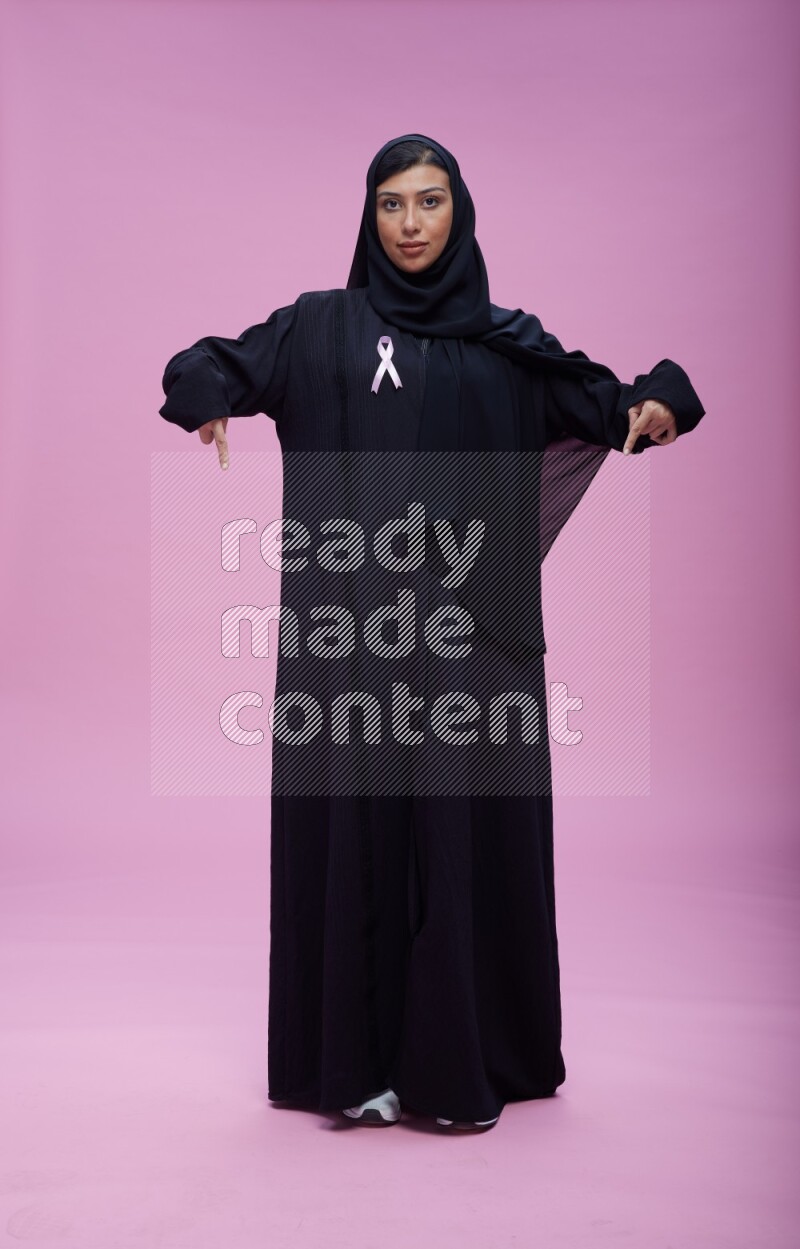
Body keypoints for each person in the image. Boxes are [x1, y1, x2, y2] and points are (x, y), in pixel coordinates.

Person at [158, 133, 705, 1132]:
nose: (410, 224)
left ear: (458, 214)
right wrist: (203, 400)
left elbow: (612, 399)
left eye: (429, 203)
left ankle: (457, 1070)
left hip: (466, 649)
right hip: (346, 653)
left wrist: (661, 400)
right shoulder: (317, 331)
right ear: (367, 217)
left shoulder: (502, 342)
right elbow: (209, 363)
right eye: (390, 205)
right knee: (355, 838)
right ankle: (354, 1069)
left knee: (455, 843)